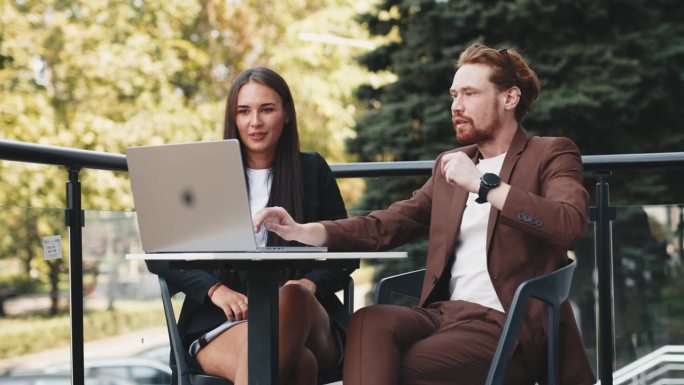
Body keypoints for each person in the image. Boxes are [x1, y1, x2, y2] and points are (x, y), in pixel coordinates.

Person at [254, 43, 596, 385]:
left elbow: (568, 223)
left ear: (509, 98)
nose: (456, 106)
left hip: (508, 325)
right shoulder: (451, 166)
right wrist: (304, 231)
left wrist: (483, 185)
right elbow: (387, 225)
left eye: (470, 94)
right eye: (454, 95)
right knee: (368, 322)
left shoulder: (551, 153)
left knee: (376, 366)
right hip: (444, 315)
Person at [146, 67, 351, 385]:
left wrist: (308, 285)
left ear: (286, 114)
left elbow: (347, 251)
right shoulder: (205, 175)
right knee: (300, 366)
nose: (255, 122)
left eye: (266, 109)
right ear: (233, 117)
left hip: (310, 318)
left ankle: (296, 298)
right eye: (244, 111)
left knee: (294, 298)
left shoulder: (311, 170)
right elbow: (160, 253)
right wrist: (214, 290)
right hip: (222, 319)